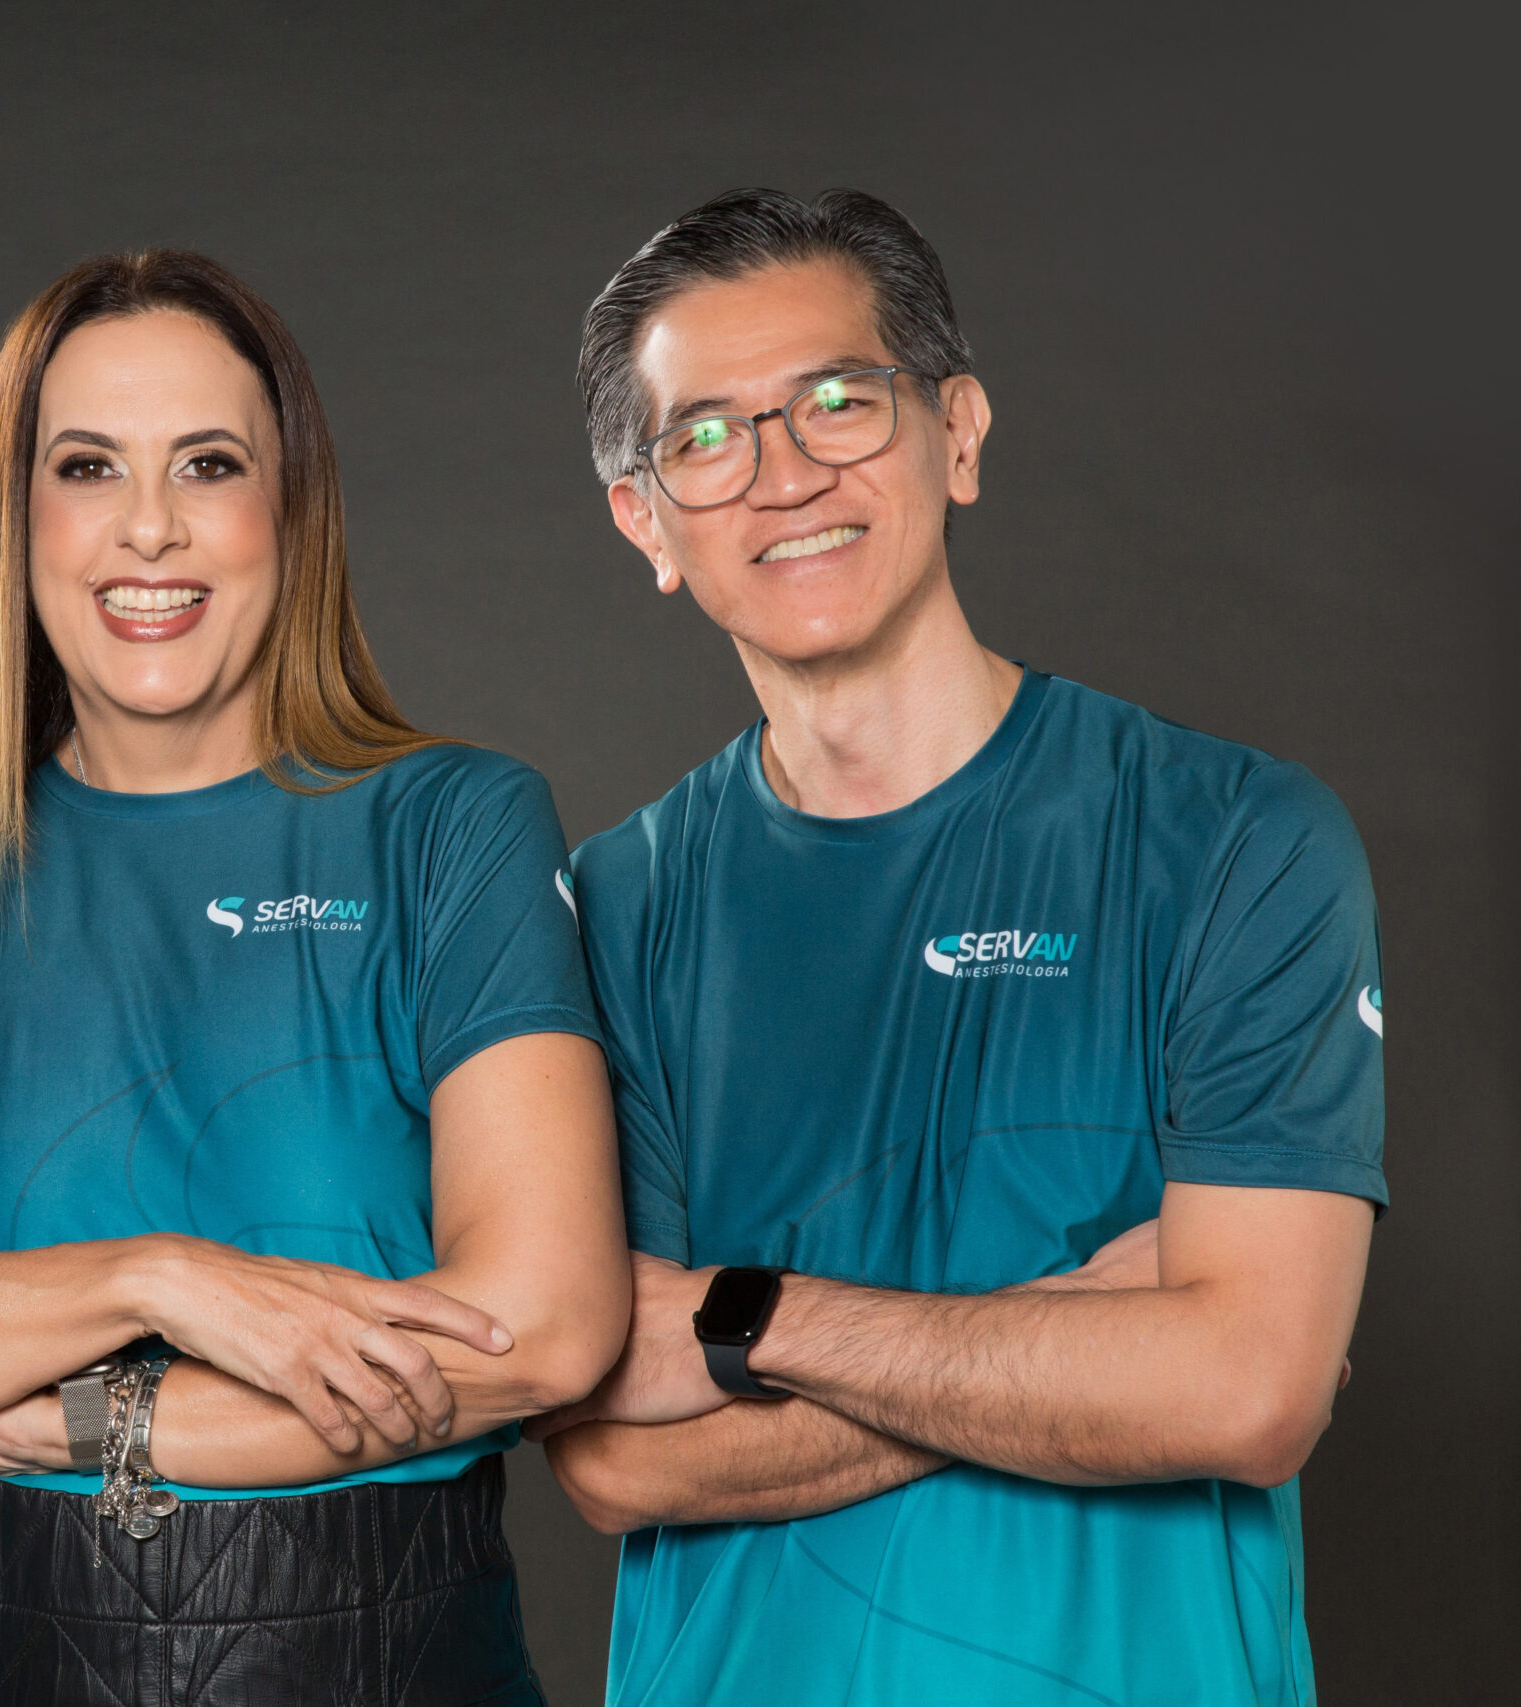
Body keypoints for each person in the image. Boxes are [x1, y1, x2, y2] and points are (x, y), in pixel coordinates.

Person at [0, 249, 630, 1706]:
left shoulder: (455, 825)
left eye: (207, 464)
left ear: (289, 509)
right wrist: (163, 1282)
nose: (148, 528)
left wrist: (72, 1414)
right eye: (86, 468)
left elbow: (542, 1327)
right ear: (16, 520)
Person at [532, 187, 1385, 1706]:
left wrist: (752, 1318)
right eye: (707, 437)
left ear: (959, 432)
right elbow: (613, 1463)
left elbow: (1248, 1397)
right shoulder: (611, 913)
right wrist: (1082, 1332)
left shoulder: (1236, 841)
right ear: (646, 520)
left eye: (839, 402)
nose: (785, 475)